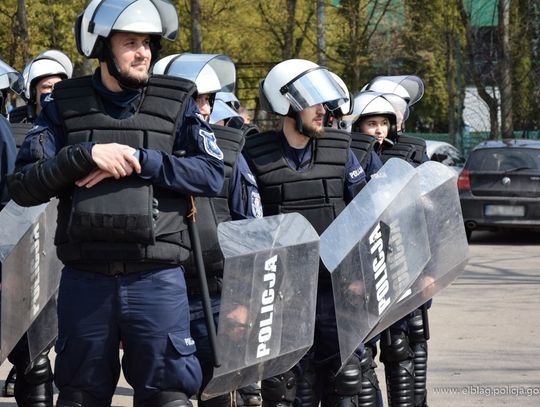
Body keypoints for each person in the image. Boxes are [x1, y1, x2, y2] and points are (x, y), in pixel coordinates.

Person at [7, 0, 225, 406]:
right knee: (78, 396)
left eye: (148, 42)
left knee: (170, 397)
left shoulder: (179, 102)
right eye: (130, 43)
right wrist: (83, 155)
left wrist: (142, 160)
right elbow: (23, 186)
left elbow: (212, 174)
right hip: (86, 280)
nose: (143, 52)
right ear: (101, 46)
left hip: (157, 279)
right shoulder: (61, 104)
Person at [243, 59, 368, 407]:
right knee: (285, 389)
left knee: (346, 383)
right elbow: (244, 227)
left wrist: (361, 275)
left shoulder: (342, 153)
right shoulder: (252, 156)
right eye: (313, 99)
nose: (323, 110)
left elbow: (367, 217)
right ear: (286, 103)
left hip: (336, 293)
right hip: (282, 296)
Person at [153, 53, 263, 407]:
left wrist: (244, 300)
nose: (203, 109)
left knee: (218, 397)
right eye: (195, 99)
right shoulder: (146, 151)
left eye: (208, 100)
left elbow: (252, 230)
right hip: (159, 297)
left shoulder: (228, 154)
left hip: (217, 300)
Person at [346, 78, 431, 407]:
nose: (379, 130)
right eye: (372, 123)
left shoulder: (411, 151)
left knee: (404, 346)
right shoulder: (347, 157)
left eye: (384, 123)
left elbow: (427, 214)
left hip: (404, 263)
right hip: (364, 268)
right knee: (362, 353)